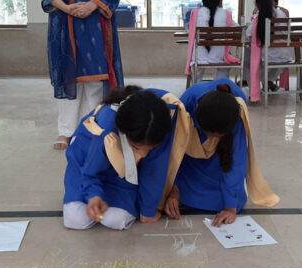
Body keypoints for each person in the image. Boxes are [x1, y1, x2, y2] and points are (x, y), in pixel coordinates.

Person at [63, 86, 190, 230]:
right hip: (85, 165)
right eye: (136, 148)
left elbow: (155, 168)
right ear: (123, 132)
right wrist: (94, 195)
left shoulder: (160, 123)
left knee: (116, 220)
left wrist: (147, 211)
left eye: (150, 149)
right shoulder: (107, 128)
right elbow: (92, 168)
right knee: (75, 219)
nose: (143, 155)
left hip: (125, 176)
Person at [164, 78, 280, 227]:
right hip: (190, 160)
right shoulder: (187, 102)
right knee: (180, 192)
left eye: (217, 136)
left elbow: (237, 159)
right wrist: (173, 189)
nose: (211, 140)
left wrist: (230, 207)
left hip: (219, 162)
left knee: (229, 198)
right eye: (209, 134)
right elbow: (175, 149)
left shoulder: (235, 111)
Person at [42, 0, 124, 150]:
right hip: (64, 20)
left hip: (95, 20)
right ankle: (66, 131)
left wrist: (94, 4)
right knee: (68, 79)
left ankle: (94, 128)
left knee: (97, 79)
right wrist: (66, 7)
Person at [243, 0, 293, 102]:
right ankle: (269, 81)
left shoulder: (259, 16)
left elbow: (248, 35)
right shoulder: (282, 15)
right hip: (285, 58)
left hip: (266, 58)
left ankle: (255, 90)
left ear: (258, 4)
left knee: (247, 62)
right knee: (274, 61)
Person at [185, 0, 240, 82]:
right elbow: (238, 29)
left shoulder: (195, 13)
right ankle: (220, 87)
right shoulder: (226, 14)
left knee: (197, 62)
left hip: (199, 57)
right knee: (224, 63)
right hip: (220, 57)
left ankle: (197, 87)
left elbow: (190, 30)